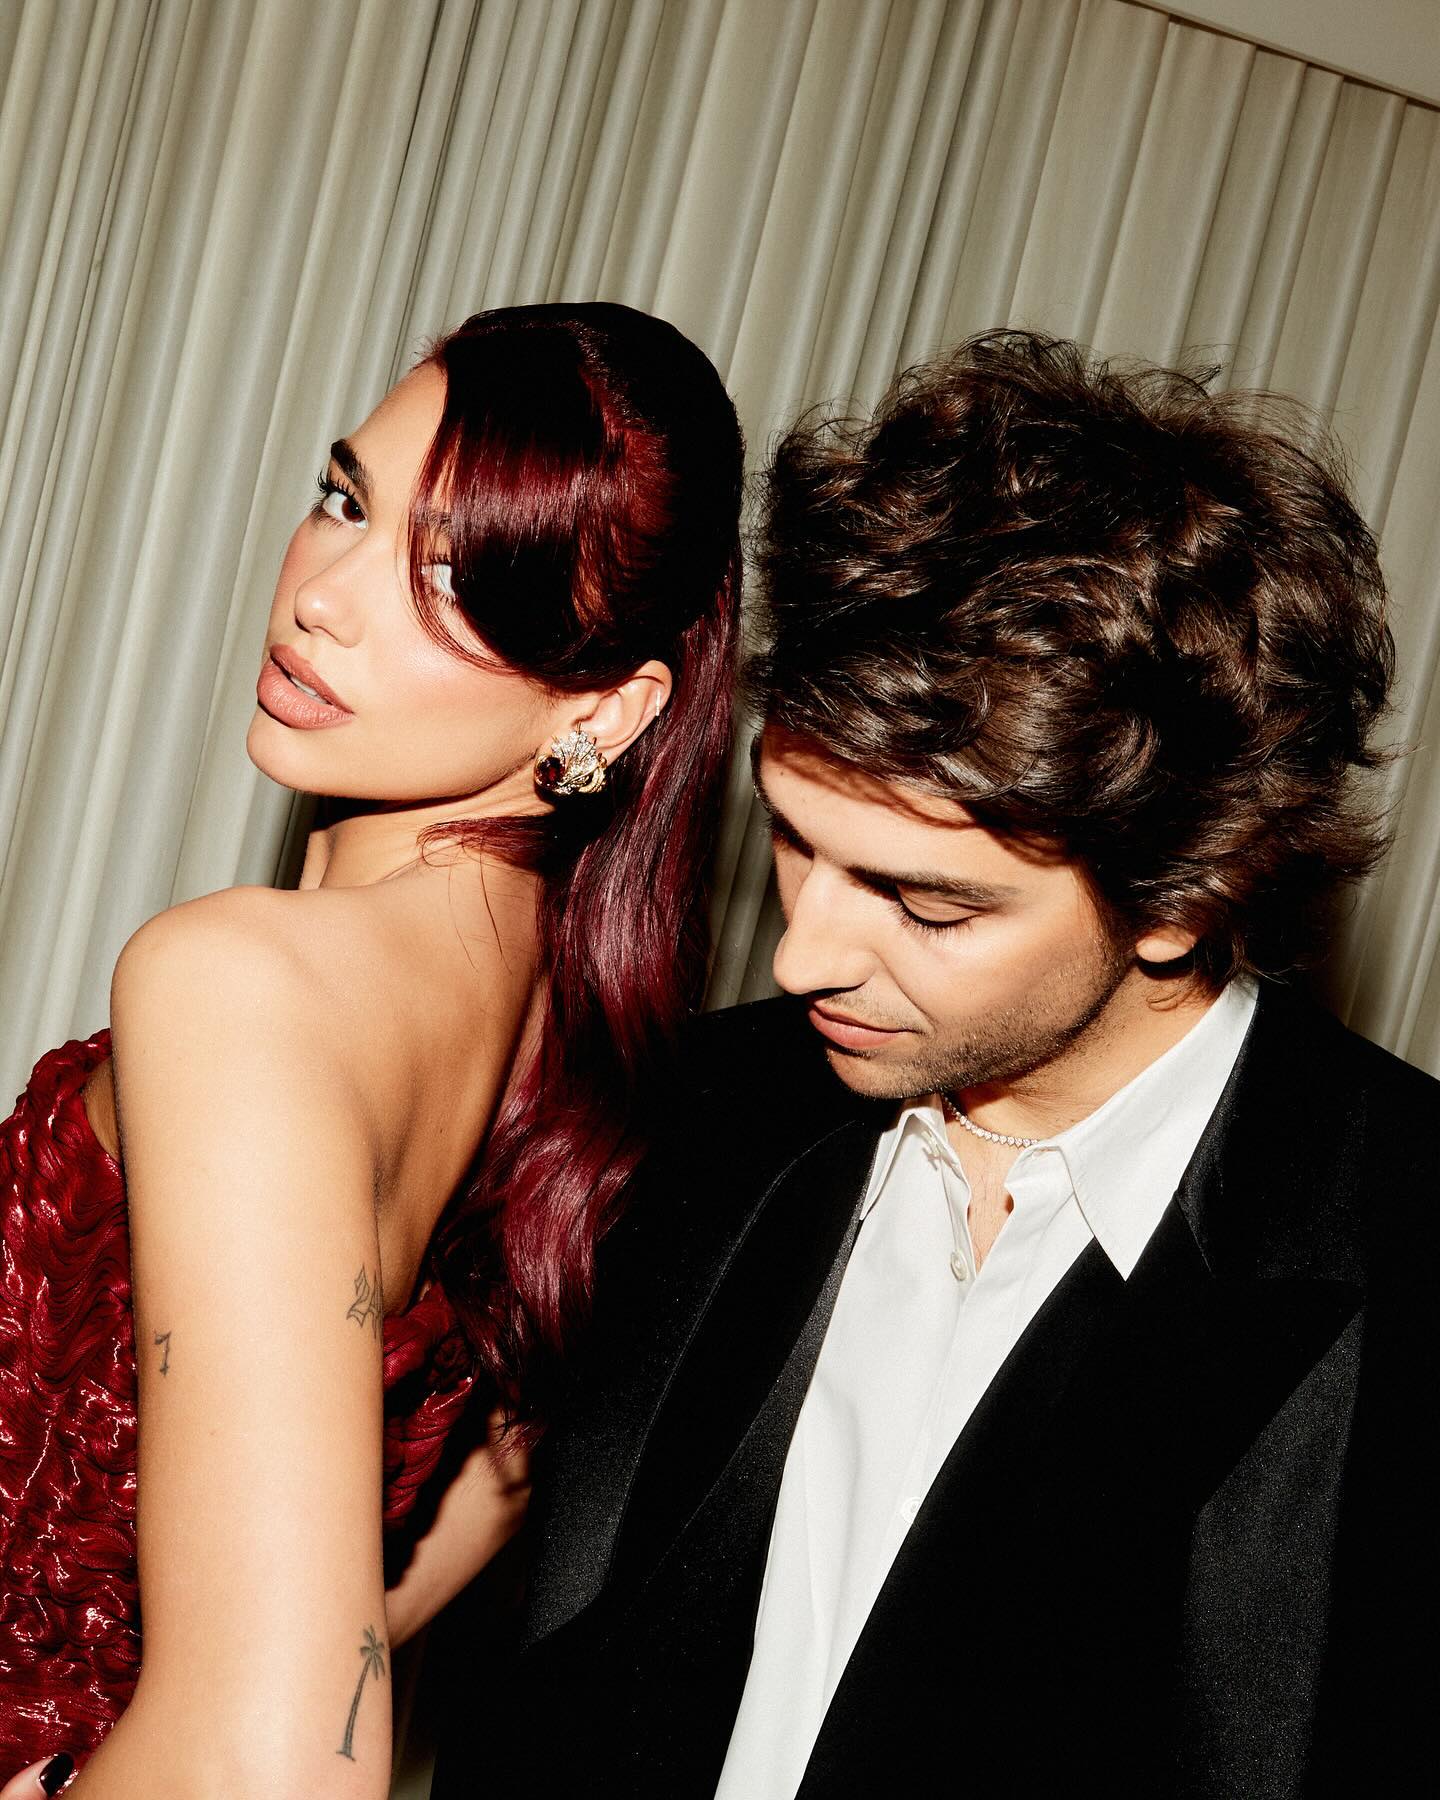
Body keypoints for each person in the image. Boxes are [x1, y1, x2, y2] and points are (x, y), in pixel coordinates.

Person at [445, 331, 1438, 1799]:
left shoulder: (1401, 1250)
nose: (802, 956)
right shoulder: (688, 1114)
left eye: (927, 903)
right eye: (795, 842)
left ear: (1185, 895)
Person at [0, 301, 743, 1796]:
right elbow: (469, 1506)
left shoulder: (242, 986)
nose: (324, 596)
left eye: (454, 579)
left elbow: (285, 1762)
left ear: (608, 710)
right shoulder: (567, 1068)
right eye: (346, 501)